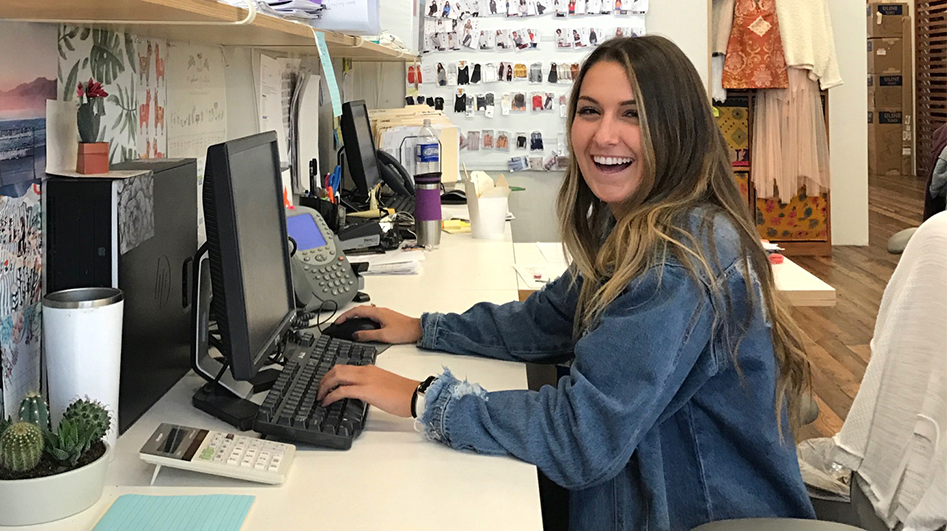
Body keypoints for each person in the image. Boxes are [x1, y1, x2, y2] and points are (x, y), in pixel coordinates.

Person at [316, 35, 815, 531]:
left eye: (633, 115)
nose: (603, 136)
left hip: (687, 513)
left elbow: (583, 438)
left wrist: (421, 399)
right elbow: (542, 323)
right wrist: (423, 328)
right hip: (630, 492)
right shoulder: (628, 225)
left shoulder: (678, 261)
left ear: (677, 130)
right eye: (590, 111)